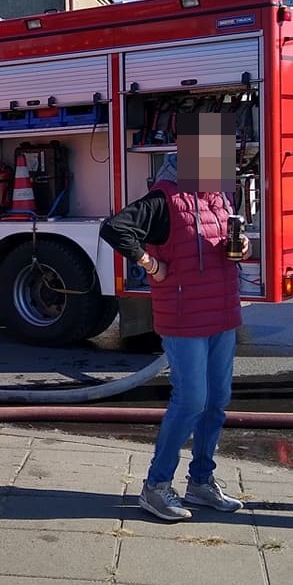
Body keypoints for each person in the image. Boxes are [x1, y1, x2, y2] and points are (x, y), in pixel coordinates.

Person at [101, 113, 245, 521]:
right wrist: (151, 264)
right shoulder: (164, 196)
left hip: (222, 313)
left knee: (217, 402)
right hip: (184, 317)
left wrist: (241, 251)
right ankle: (156, 487)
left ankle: (201, 482)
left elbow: (221, 243)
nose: (222, 161)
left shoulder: (219, 195)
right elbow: (115, 228)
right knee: (191, 400)